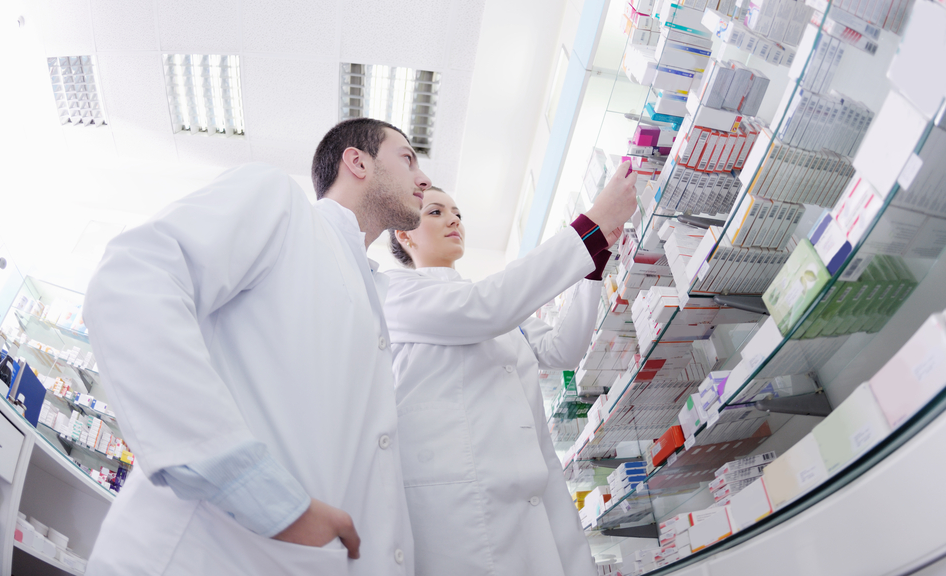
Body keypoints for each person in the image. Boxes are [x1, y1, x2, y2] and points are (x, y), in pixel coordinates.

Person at [82, 119, 431, 576]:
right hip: (200, 556)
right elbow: (133, 281)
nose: (423, 178)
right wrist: (252, 486)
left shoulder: (368, 295)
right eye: (407, 158)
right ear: (357, 161)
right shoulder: (280, 204)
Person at [382, 161, 638, 576]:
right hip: (464, 506)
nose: (453, 220)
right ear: (404, 233)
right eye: (436, 212)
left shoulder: (491, 302)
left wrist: (592, 272)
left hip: (536, 492)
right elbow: (481, 311)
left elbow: (562, 349)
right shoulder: (396, 292)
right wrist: (589, 226)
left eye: (457, 214)